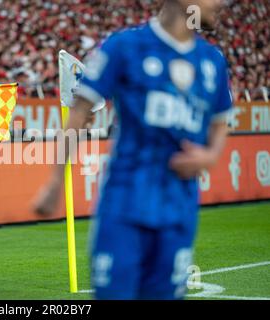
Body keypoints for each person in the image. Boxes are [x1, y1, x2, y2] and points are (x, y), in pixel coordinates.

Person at [33, 0, 232, 300]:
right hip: (124, 207)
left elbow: (220, 123)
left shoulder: (212, 62)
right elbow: (79, 110)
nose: (222, 3)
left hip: (179, 212)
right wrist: (55, 182)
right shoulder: (125, 47)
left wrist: (211, 156)